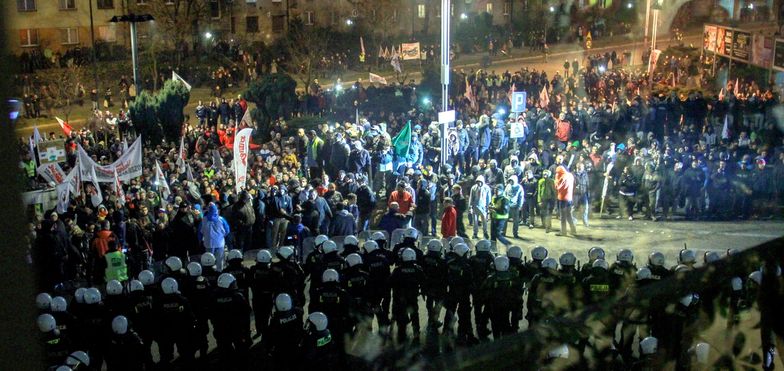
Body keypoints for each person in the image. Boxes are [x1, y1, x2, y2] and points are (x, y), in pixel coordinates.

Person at [211, 273, 252, 369]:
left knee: (224, 351)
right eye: (233, 283)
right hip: (236, 329)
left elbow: (211, 313)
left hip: (220, 329)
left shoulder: (213, 296)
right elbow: (247, 311)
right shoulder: (237, 296)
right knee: (241, 350)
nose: (235, 285)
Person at [155, 277, 196, 368]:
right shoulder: (182, 300)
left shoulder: (158, 302)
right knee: (186, 353)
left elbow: (156, 318)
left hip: (166, 331)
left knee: (165, 355)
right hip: (181, 330)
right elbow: (190, 316)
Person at [200, 202, 228, 271]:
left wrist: (200, 240)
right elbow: (227, 230)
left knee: (209, 261)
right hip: (219, 243)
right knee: (220, 260)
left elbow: (200, 232)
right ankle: (219, 272)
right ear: (216, 210)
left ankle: (210, 274)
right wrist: (222, 236)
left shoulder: (204, 220)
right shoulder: (221, 219)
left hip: (208, 243)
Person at [555, 165, 577, 237]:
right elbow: (574, 185)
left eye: (557, 172)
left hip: (563, 199)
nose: (557, 174)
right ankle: (573, 230)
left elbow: (559, 188)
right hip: (570, 198)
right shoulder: (570, 175)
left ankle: (563, 231)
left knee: (563, 217)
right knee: (569, 215)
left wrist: (556, 180)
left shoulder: (563, 177)